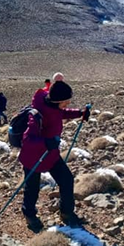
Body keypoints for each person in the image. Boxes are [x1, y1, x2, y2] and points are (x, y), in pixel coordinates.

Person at [18, 80, 90, 232]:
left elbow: (61, 113)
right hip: (33, 157)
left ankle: (66, 213)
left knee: (67, 180)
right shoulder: (37, 113)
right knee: (32, 188)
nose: (67, 104)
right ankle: (29, 215)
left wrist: (80, 113)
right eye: (66, 101)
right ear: (57, 100)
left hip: (50, 154)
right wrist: (46, 142)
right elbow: (27, 139)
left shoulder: (54, 106)